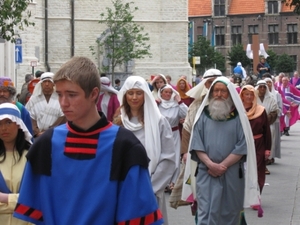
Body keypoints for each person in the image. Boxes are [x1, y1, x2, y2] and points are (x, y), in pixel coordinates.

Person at [14, 56, 163, 225]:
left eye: (71, 95)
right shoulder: (45, 145)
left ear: (93, 94)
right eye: (60, 94)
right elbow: (34, 216)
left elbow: (137, 217)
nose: (63, 103)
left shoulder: (125, 147)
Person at [186, 77, 260, 225]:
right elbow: (197, 143)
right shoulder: (202, 116)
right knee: (206, 211)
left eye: (223, 91)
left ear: (230, 94)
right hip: (206, 173)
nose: (219, 94)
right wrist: (211, 165)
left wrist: (222, 166)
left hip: (232, 173)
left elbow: (242, 145)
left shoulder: (239, 117)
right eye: (216, 91)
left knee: (229, 212)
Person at [114, 76, 176, 225]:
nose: (134, 97)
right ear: (125, 95)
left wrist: (148, 187)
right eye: (130, 93)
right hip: (124, 189)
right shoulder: (118, 123)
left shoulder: (159, 122)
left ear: (146, 95)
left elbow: (168, 159)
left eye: (139, 93)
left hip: (150, 188)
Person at [0, 103, 32, 225]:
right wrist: (19, 202)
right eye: (0, 123)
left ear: (18, 124)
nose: (3, 128)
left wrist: (4, 198)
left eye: (8, 122)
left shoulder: (33, 157)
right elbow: (28, 202)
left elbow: (37, 198)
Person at [240, 85, 271, 193]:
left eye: (251, 94)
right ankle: (243, 194)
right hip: (242, 144)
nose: (249, 97)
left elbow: (267, 130)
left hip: (258, 144)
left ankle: (255, 195)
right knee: (242, 169)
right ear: (242, 96)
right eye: (246, 94)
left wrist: (267, 149)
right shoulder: (237, 110)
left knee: (257, 169)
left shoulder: (261, 111)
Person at [157, 84, 188, 191]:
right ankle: (163, 181)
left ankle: (173, 182)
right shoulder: (157, 106)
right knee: (161, 157)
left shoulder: (176, 105)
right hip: (160, 134)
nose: (168, 94)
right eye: (165, 92)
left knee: (174, 158)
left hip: (174, 134)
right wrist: (156, 103)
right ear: (160, 93)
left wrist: (179, 101)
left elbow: (187, 114)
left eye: (170, 92)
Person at [25, 72, 65, 137]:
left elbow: (63, 116)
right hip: (38, 136)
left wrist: (49, 132)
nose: (47, 84)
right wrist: (36, 132)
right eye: (44, 82)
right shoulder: (34, 99)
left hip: (55, 134)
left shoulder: (60, 98)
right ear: (41, 84)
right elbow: (29, 116)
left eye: (49, 82)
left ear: (53, 84)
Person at [255, 80, 278, 175]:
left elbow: (274, 112)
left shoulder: (271, 98)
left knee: (267, 145)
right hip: (255, 126)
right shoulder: (253, 97)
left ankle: (265, 164)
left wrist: (264, 120)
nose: (262, 89)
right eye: (260, 87)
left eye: (264, 87)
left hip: (268, 125)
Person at [264, 77, 283, 164]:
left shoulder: (276, 94)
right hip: (264, 122)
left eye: (269, 82)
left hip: (274, 120)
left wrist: (274, 114)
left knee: (273, 139)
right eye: (266, 82)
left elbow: (280, 107)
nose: (268, 84)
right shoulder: (261, 95)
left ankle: (272, 156)